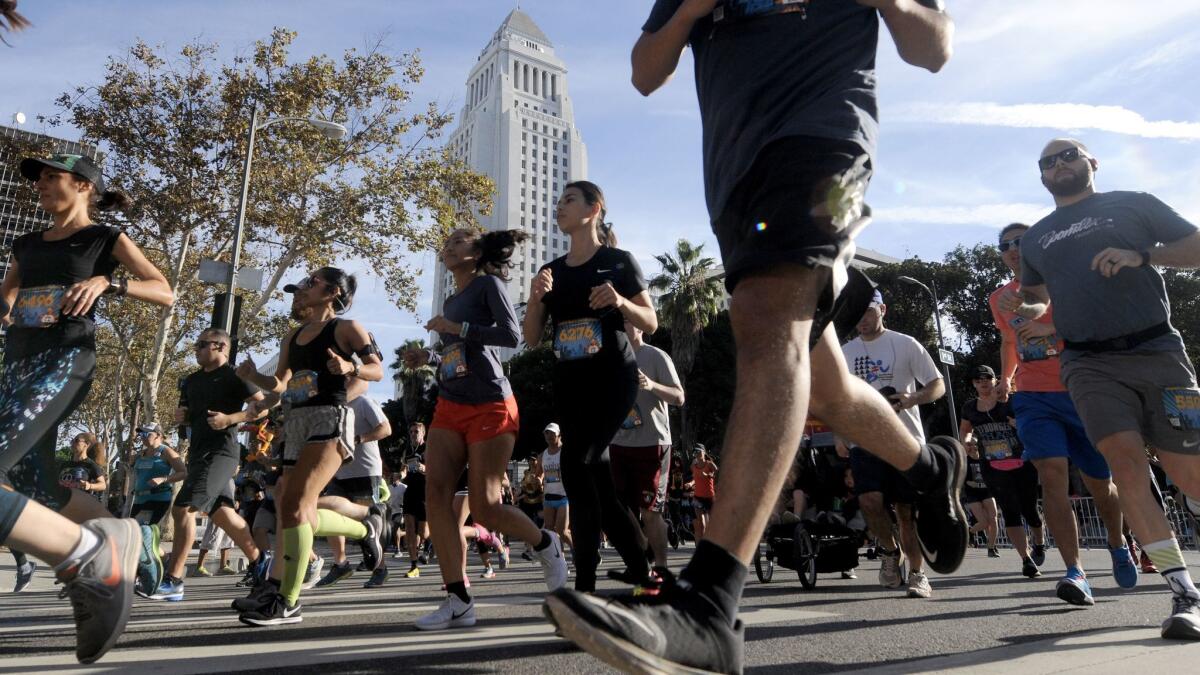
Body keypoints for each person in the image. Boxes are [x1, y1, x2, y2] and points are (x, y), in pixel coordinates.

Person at [544, 4, 962, 671]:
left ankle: (709, 604)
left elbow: (932, 46)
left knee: (769, 325)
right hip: (738, 178)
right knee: (824, 385)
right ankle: (930, 466)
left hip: (828, 144)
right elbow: (646, 72)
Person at [1001, 137, 1200, 639]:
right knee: (1126, 467)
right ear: (1041, 177)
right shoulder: (1039, 238)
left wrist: (1142, 255)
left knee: (1192, 475)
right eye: (1047, 161)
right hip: (1088, 366)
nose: (1059, 164)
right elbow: (1037, 297)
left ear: (1092, 162)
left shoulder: (1134, 204)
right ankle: (1184, 594)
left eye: (1068, 154)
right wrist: (1031, 315)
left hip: (1160, 355)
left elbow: (1196, 248)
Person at [0, 152, 174, 663]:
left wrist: (109, 282)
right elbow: (8, 291)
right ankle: (123, 540)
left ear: (82, 186)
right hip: (16, 367)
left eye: (51, 178)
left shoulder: (105, 239)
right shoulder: (27, 243)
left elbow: (165, 291)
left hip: (65, 361)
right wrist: (6, 305)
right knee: (39, 490)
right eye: (39, 181)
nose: (41, 188)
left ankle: (90, 559)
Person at [403, 227, 568, 631]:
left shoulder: (488, 284)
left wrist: (457, 330)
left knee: (486, 507)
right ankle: (458, 599)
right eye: (446, 240)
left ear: (476, 253)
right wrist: (427, 353)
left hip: (491, 402)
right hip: (450, 402)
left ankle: (545, 542)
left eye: (458, 240)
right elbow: (453, 350)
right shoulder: (450, 299)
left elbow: (512, 335)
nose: (448, 245)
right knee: (435, 496)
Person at [522, 181, 660, 593]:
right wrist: (534, 299)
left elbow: (651, 322)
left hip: (613, 380)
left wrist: (620, 301)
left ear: (594, 209)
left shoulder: (618, 262)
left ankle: (585, 584)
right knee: (595, 480)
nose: (559, 207)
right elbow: (531, 338)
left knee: (576, 464)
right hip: (569, 384)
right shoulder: (552, 271)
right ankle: (642, 568)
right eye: (558, 201)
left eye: (569, 200)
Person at [991, 220, 1136, 605]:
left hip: (1081, 391)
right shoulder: (999, 298)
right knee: (1051, 475)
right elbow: (1009, 341)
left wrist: (1049, 329)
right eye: (1004, 244)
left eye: (1021, 241)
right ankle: (1075, 571)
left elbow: (1098, 326)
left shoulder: (1066, 282)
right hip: (1034, 397)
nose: (1013, 249)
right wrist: (1006, 379)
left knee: (1099, 485)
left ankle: (1118, 543)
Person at [234, 266, 383, 626]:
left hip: (329, 419)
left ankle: (288, 600)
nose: (299, 291)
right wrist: (253, 377)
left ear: (332, 292)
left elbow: (377, 369)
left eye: (308, 283)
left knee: (298, 504)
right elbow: (281, 384)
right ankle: (366, 528)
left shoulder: (347, 328)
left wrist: (351, 367)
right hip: (296, 423)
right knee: (289, 505)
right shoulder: (292, 336)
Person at [151, 327, 269, 603]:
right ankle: (260, 562)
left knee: (183, 509)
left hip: (222, 454)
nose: (197, 349)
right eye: (197, 344)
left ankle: (174, 580)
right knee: (222, 514)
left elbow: (263, 407)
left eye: (202, 344)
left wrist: (231, 419)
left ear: (220, 347)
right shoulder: (190, 381)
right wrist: (183, 416)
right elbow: (187, 416)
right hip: (198, 454)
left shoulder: (234, 376)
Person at [842, 290, 947, 599]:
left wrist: (914, 397)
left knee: (905, 511)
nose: (862, 319)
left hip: (905, 440)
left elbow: (937, 384)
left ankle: (917, 574)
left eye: (868, 312)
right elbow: (839, 397)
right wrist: (838, 432)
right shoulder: (845, 352)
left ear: (882, 309)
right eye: (857, 314)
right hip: (865, 440)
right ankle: (890, 551)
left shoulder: (905, 344)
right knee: (870, 502)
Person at [610, 319, 684, 573]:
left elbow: (679, 397)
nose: (622, 327)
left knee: (650, 510)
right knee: (616, 507)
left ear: (640, 327)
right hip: (618, 444)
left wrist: (651, 385)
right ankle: (641, 552)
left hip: (652, 444)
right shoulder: (610, 358)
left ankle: (661, 567)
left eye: (628, 322)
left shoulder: (655, 356)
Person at [958, 365, 1045, 578]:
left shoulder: (1011, 401)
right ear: (974, 384)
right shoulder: (970, 408)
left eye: (986, 378)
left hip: (1022, 462)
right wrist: (968, 443)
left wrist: (1017, 424)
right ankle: (1026, 559)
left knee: (1029, 509)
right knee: (1009, 511)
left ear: (995, 379)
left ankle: (1040, 543)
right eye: (978, 380)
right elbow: (965, 431)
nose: (983, 383)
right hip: (993, 467)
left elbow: (1031, 422)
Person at [314, 378, 392, 589]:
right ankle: (341, 564)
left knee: (371, 524)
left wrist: (357, 439)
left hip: (366, 471)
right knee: (331, 515)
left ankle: (380, 568)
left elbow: (385, 429)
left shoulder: (363, 402)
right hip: (339, 472)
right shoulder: (334, 408)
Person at [130, 424, 186, 529]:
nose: (142, 437)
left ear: (158, 435)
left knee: (146, 533)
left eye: (146, 434)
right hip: (139, 500)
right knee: (134, 534)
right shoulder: (142, 454)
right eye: (141, 434)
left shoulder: (167, 452)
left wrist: (164, 479)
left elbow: (183, 473)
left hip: (158, 499)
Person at [960, 444, 1000, 557]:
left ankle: (991, 547)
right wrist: (975, 483)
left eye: (975, 444)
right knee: (984, 522)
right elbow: (967, 481)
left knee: (993, 520)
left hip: (987, 492)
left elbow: (993, 474)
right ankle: (969, 531)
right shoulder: (965, 461)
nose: (973, 447)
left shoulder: (985, 458)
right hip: (973, 494)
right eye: (969, 445)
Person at [539, 424, 573, 555]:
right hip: (548, 497)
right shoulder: (542, 455)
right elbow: (539, 473)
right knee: (550, 531)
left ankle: (576, 550)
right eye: (546, 433)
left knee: (562, 531)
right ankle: (561, 560)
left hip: (564, 496)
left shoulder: (566, 451)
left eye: (552, 433)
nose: (549, 436)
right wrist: (539, 480)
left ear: (559, 434)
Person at [58, 433, 108, 503]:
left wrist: (89, 486)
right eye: (72, 440)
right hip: (61, 503)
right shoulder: (64, 465)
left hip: (79, 505)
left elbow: (103, 485)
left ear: (86, 445)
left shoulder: (90, 465)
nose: (72, 443)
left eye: (76, 440)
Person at [690, 444, 717, 541]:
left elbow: (717, 474)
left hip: (709, 497)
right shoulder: (693, 466)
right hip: (698, 497)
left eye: (699, 451)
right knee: (700, 525)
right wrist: (690, 483)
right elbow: (695, 478)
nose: (697, 453)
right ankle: (701, 548)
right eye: (695, 452)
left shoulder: (710, 464)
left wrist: (709, 475)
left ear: (704, 452)